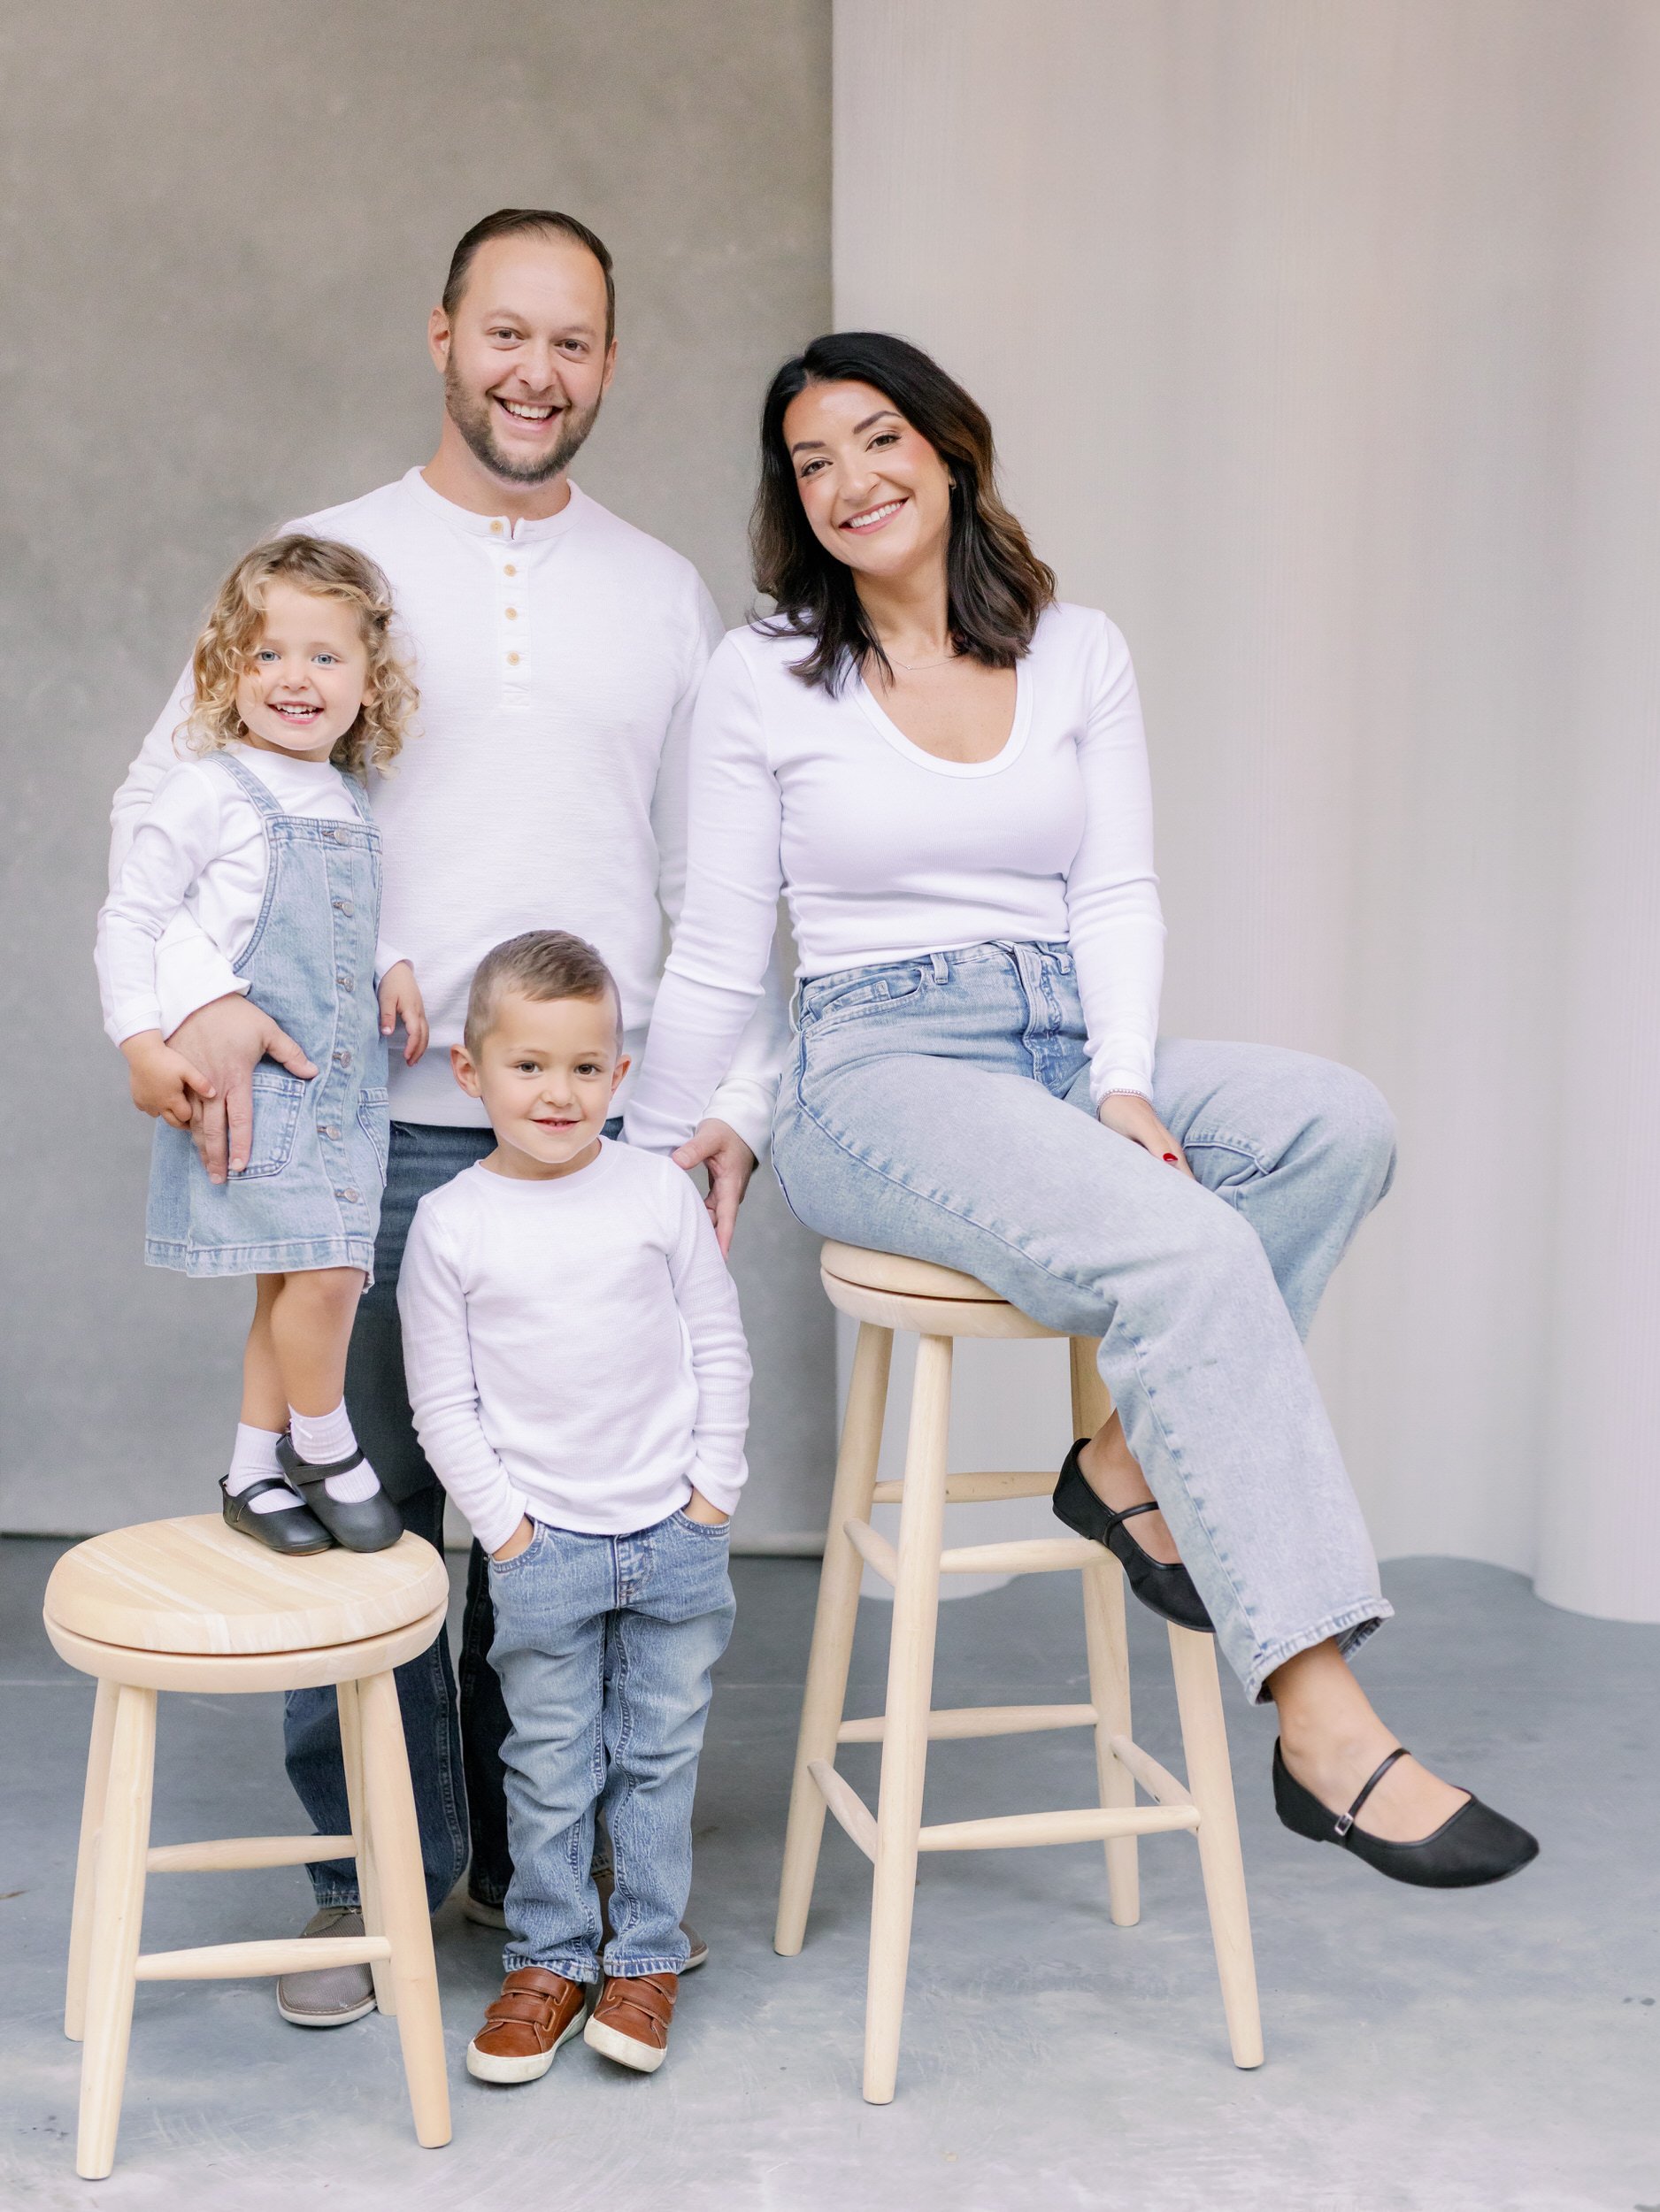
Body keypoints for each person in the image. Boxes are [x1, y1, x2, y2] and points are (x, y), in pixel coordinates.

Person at [626, 331, 1538, 1890]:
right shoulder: (764, 673)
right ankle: (1320, 1716)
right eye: (810, 462)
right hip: (879, 1070)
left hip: (1059, 1034)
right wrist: (653, 1152)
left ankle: (1121, 1463)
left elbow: (1112, 889)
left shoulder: (1073, 647)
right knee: (1183, 1254)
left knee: (1335, 1123)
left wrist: (1121, 1076)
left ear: (949, 448)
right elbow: (720, 948)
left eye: (875, 437)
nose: (848, 481)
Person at [107, 209, 781, 2025]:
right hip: (359, 1128)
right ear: (441, 335)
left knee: (552, 1519)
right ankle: (375, 1879)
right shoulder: (331, 561)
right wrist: (168, 1015)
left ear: (608, 366)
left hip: (600, 1134)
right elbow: (173, 799)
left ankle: (550, 1886)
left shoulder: (661, 593)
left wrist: (731, 1098)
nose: (532, 372)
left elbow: (723, 878)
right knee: (375, 1519)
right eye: (504, 332)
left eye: (570, 342)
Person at [399, 931, 747, 2082]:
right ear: (471, 1072)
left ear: (620, 1074)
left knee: (658, 1757)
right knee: (548, 1765)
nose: (559, 1093)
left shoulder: (654, 1192)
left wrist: (711, 1499)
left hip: (671, 1536)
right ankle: (546, 1959)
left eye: (587, 1068)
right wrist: (507, 1534)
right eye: (531, 1066)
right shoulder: (454, 1224)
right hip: (542, 1546)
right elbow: (442, 1404)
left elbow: (720, 1347)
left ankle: (642, 1959)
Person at [96, 535, 424, 1560]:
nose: (295, 678)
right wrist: (141, 1041)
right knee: (328, 1276)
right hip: (267, 1093)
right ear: (226, 669)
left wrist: (395, 963)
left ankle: (251, 1471)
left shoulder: (350, 796)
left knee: (296, 1284)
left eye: (325, 657)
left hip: (343, 1090)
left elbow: (357, 916)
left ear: (369, 682)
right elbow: (130, 917)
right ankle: (325, 1445)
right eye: (268, 654)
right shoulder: (207, 789)